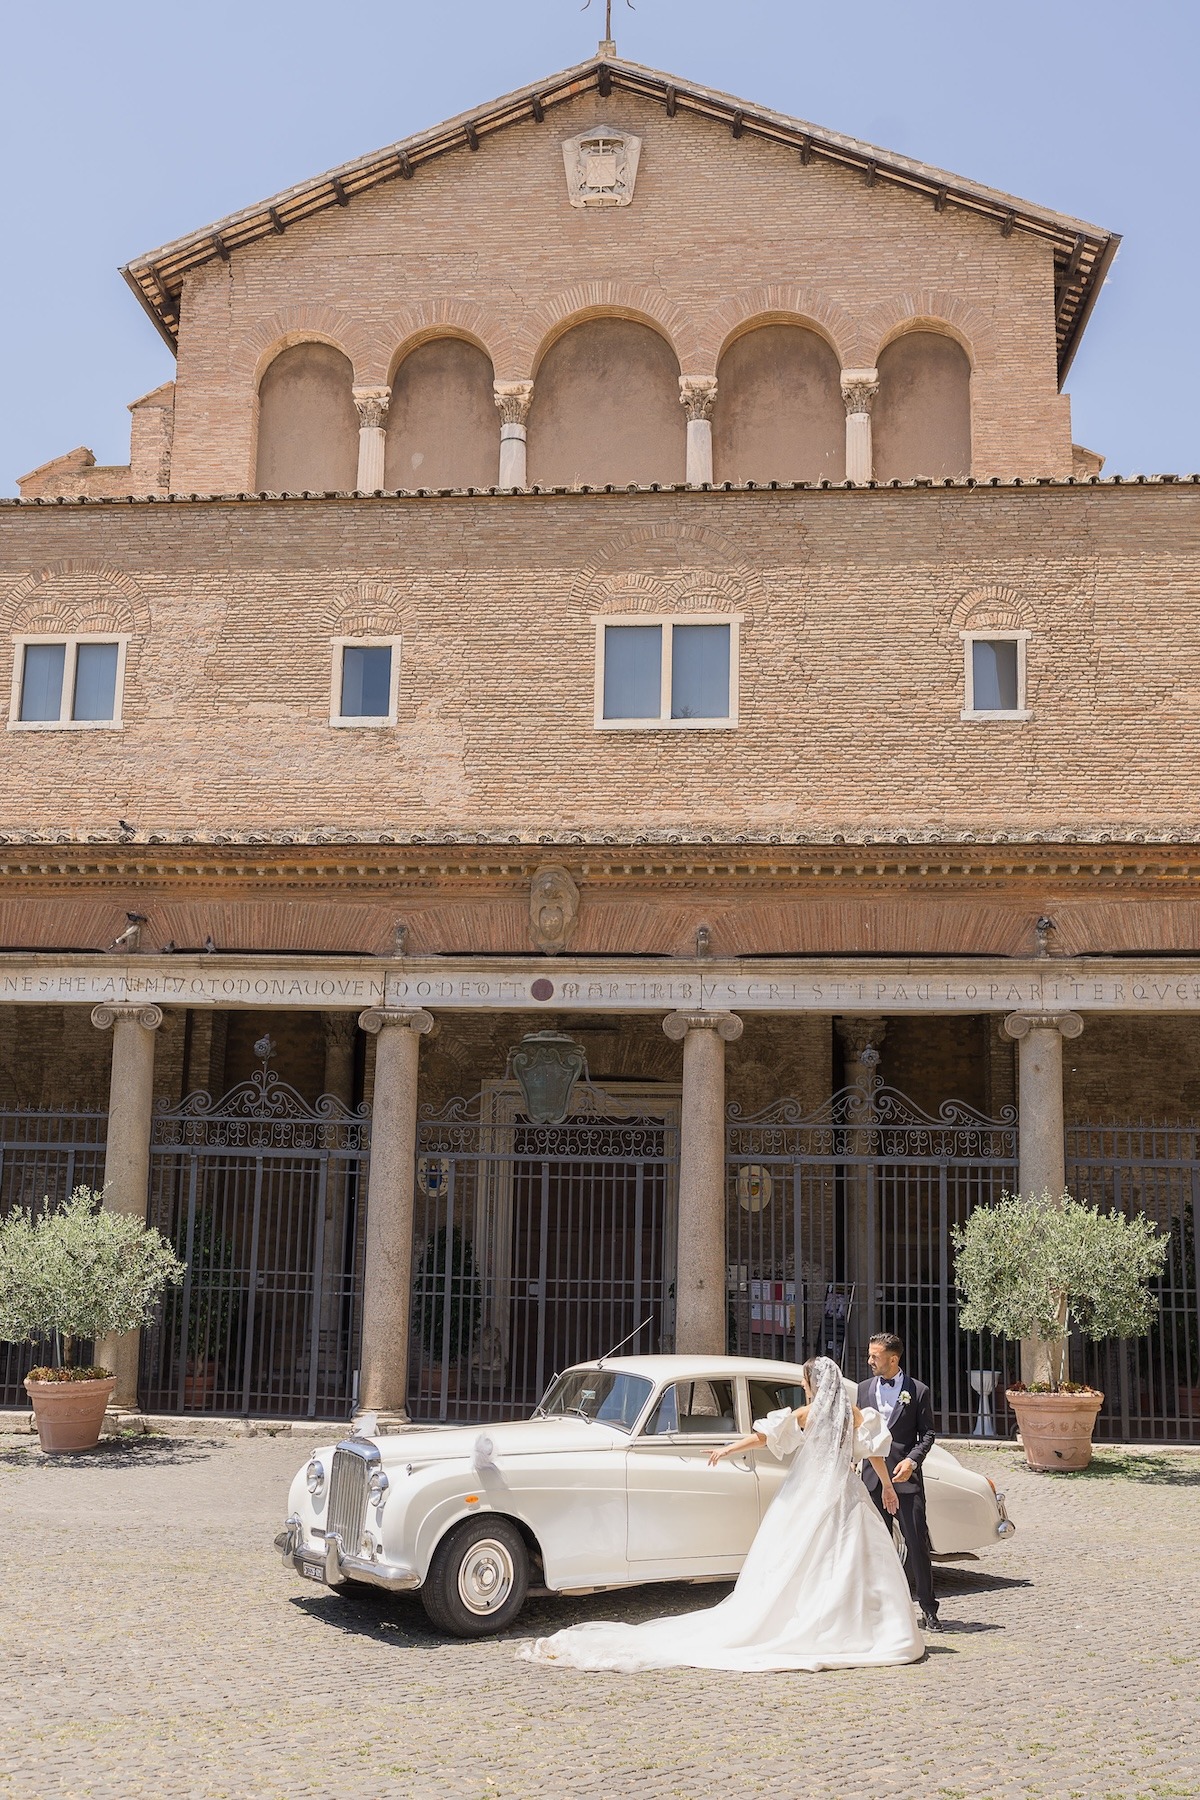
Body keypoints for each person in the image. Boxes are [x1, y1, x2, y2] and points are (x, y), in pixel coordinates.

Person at [519, 1356, 924, 1673]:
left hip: (810, 1492)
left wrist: (728, 1450)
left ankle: (816, 1623)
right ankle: (857, 1626)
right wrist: (886, 1487)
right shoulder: (856, 1416)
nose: (804, 1388)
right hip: (845, 1492)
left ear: (812, 1385)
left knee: (801, 1558)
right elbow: (874, 1451)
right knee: (847, 1559)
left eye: (805, 1383)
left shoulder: (808, 1414)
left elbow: (763, 1437)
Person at [857, 1332, 941, 1631]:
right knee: (872, 1546)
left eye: (875, 1357)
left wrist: (912, 1460)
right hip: (871, 1480)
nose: (869, 1361)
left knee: (916, 1544)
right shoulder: (863, 1389)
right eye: (870, 1355)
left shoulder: (918, 1391)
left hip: (905, 1479)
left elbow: (928, 1434)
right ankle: (877, 1609)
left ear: (893, 1359)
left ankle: (929, 1609)